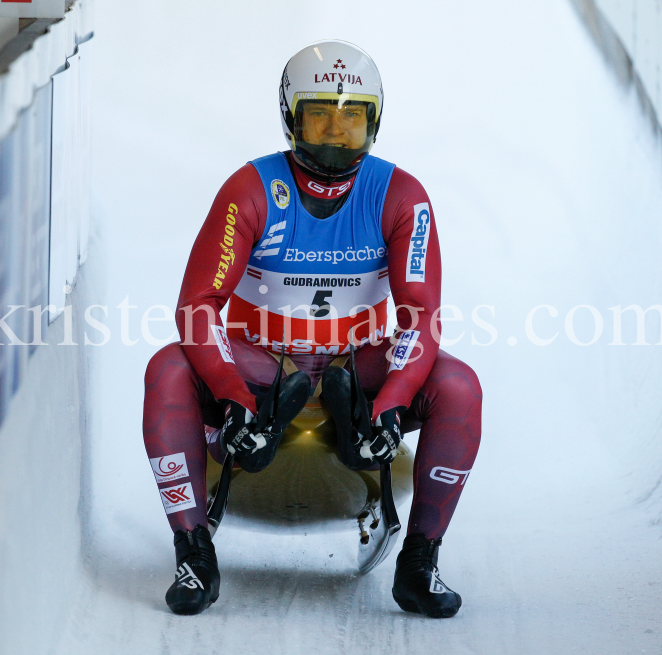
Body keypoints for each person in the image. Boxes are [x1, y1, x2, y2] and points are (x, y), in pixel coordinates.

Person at [142, 40, 482, 618]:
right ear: (289, 117)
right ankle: (193, 552)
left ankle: (420, 562)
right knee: (168, 369)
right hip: (262, 363)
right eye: (319, 114)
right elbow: (199, 305)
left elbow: (421, 315)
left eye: (352, 117)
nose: (333, 132)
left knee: (460, 387)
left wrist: (396, 400)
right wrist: (228, 391)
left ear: (374, 121)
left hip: (360, 365)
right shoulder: (249, 189)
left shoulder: (402, 195)